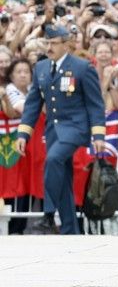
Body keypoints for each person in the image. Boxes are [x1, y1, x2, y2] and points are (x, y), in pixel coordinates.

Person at [15, 26, 107, 234]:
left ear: (67, 44)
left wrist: (98, 134)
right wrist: (23, 133)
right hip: (53, 130)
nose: (49, 47)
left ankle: (48, 214)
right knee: (63, 177)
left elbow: (95, 104)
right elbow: (32, 104)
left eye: (54, 43)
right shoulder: (41, 68)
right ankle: (69, 230)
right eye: (47, 43)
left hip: (75, 128)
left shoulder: (83, 67)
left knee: (53, 160)